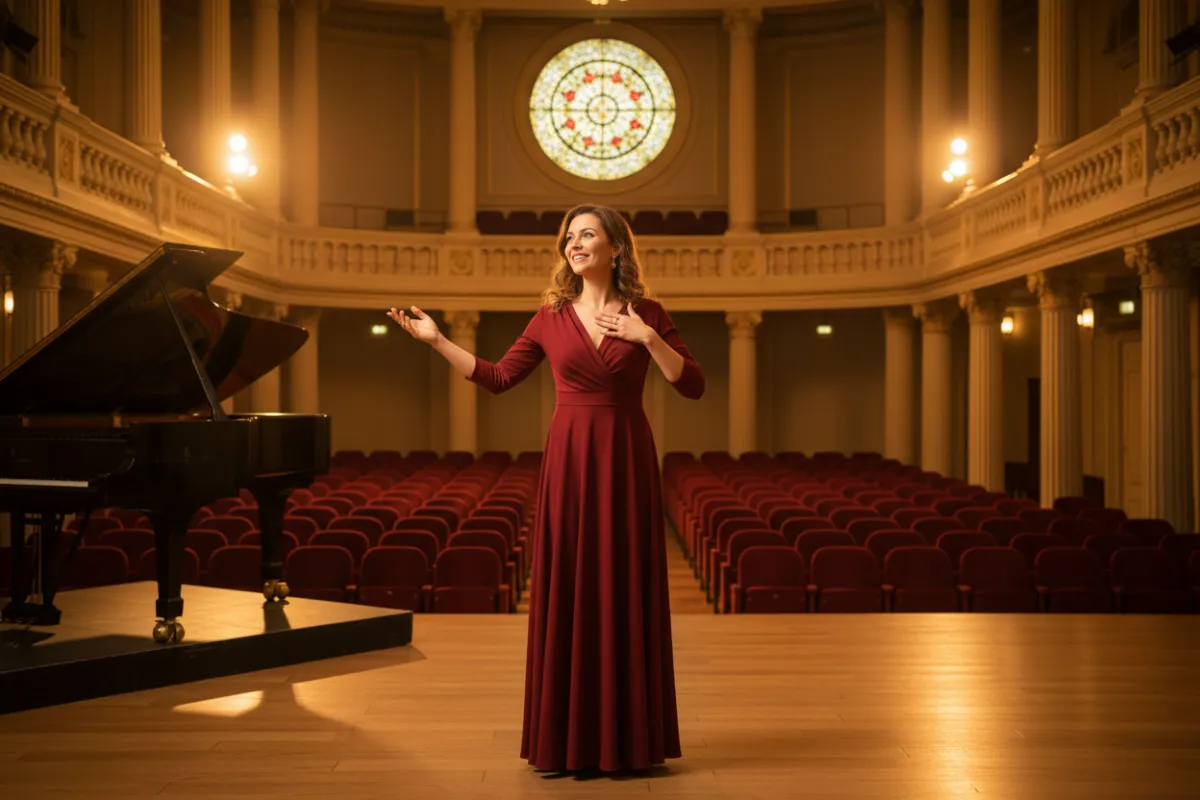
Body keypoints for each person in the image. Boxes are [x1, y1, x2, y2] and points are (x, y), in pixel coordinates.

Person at [388, 203, 705, 775]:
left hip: (626, 456)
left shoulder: (648, 314)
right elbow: (498, 377)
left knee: (624, 583)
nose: (574, 244)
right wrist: (436, 340)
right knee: (572, 585)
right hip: (570, 459)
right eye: (569, 237)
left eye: (587, 235)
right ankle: (567, 741)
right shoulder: (549, 317)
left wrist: (647, 338)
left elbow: (694, 385)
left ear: (615, 247)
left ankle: (630, 741)